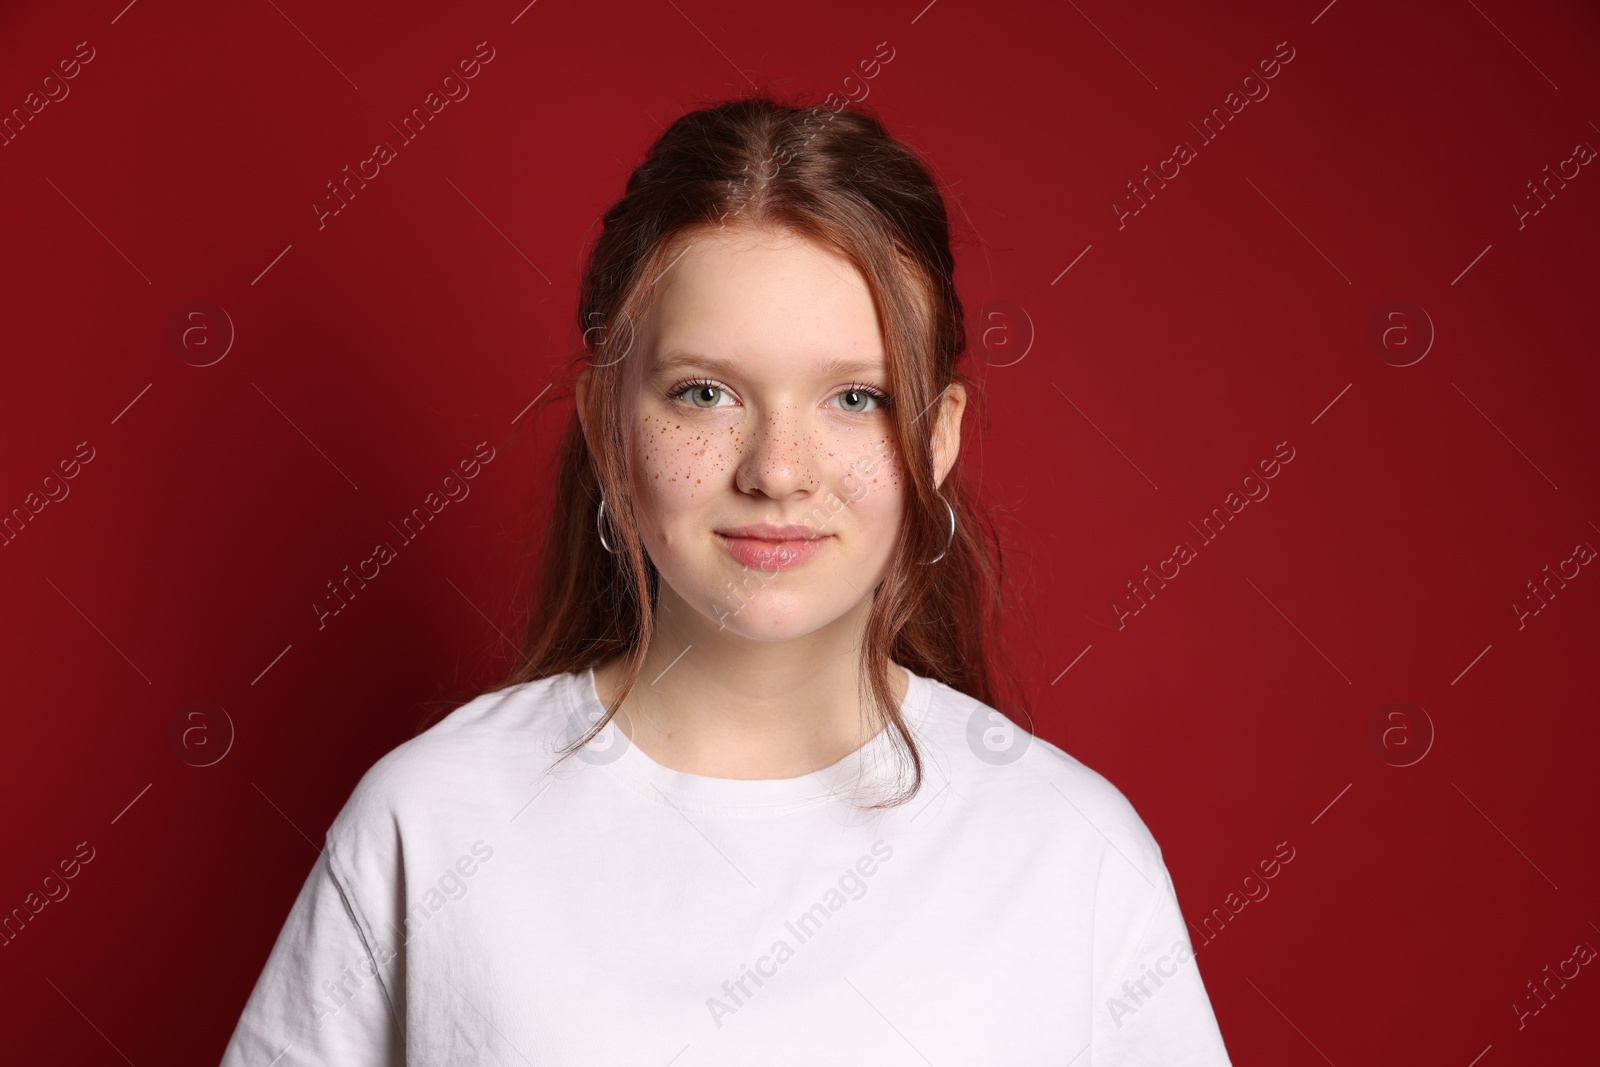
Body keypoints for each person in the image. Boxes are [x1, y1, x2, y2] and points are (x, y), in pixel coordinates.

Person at [217, 94, 1233, 1065]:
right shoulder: (430, 820)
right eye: (704, 393)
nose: (777, 468)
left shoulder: (1070, 853)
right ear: (609, 426)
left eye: (855, 396)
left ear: (936, 438)